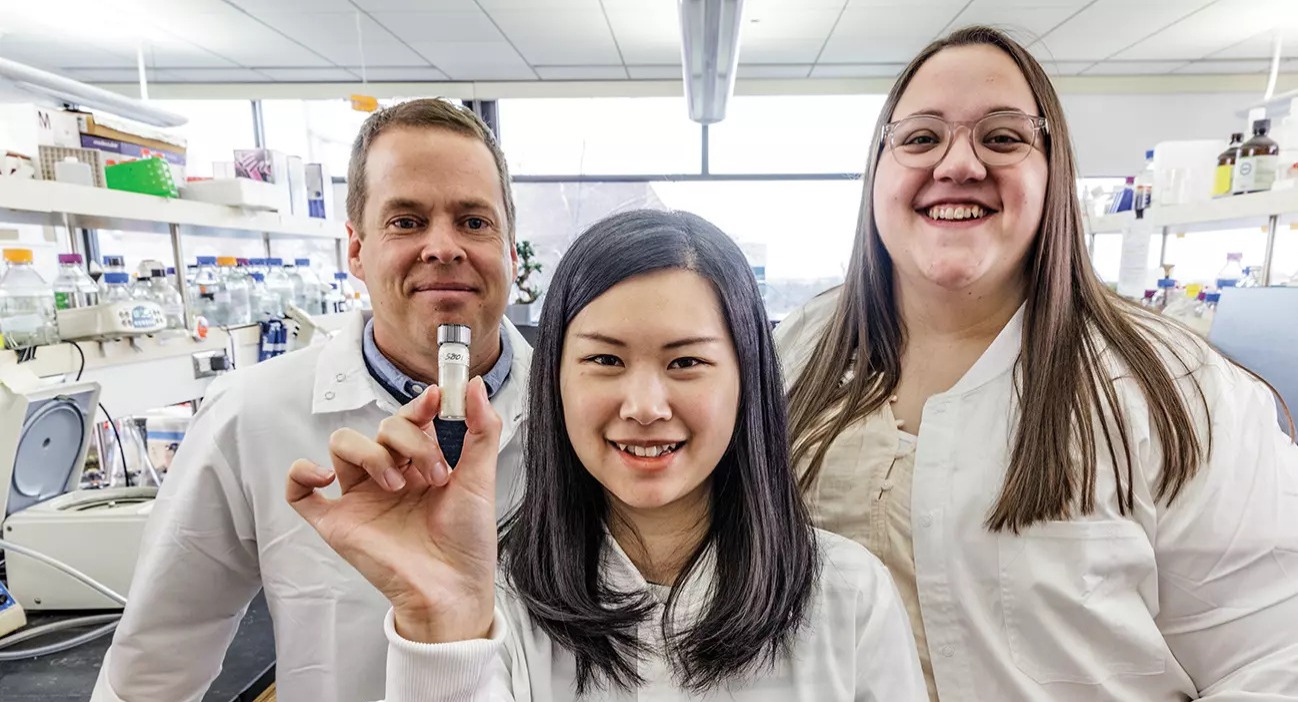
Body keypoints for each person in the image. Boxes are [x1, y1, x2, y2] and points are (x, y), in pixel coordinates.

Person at [775, 25, 1298, 702]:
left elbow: (1296, 659)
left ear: (1053, 172)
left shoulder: (1173, 386)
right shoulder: (796, 355)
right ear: (877, 171)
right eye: (920, 137)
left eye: (1003, 137)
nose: (957, 164)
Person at [285, 209, 926, 700]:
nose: (644, 405)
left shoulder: (847, 592)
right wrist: (441, 620)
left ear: (747, 380)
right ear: (554, 380)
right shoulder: (495, 593)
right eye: (604, 360)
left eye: (686, 362)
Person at [93, 99, 533, 702]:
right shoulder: (250, 418)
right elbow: (154, 670)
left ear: (511, 249)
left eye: (474, 221)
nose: (443, 247)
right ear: (354, 248)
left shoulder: (583, 413)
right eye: (405, 221)